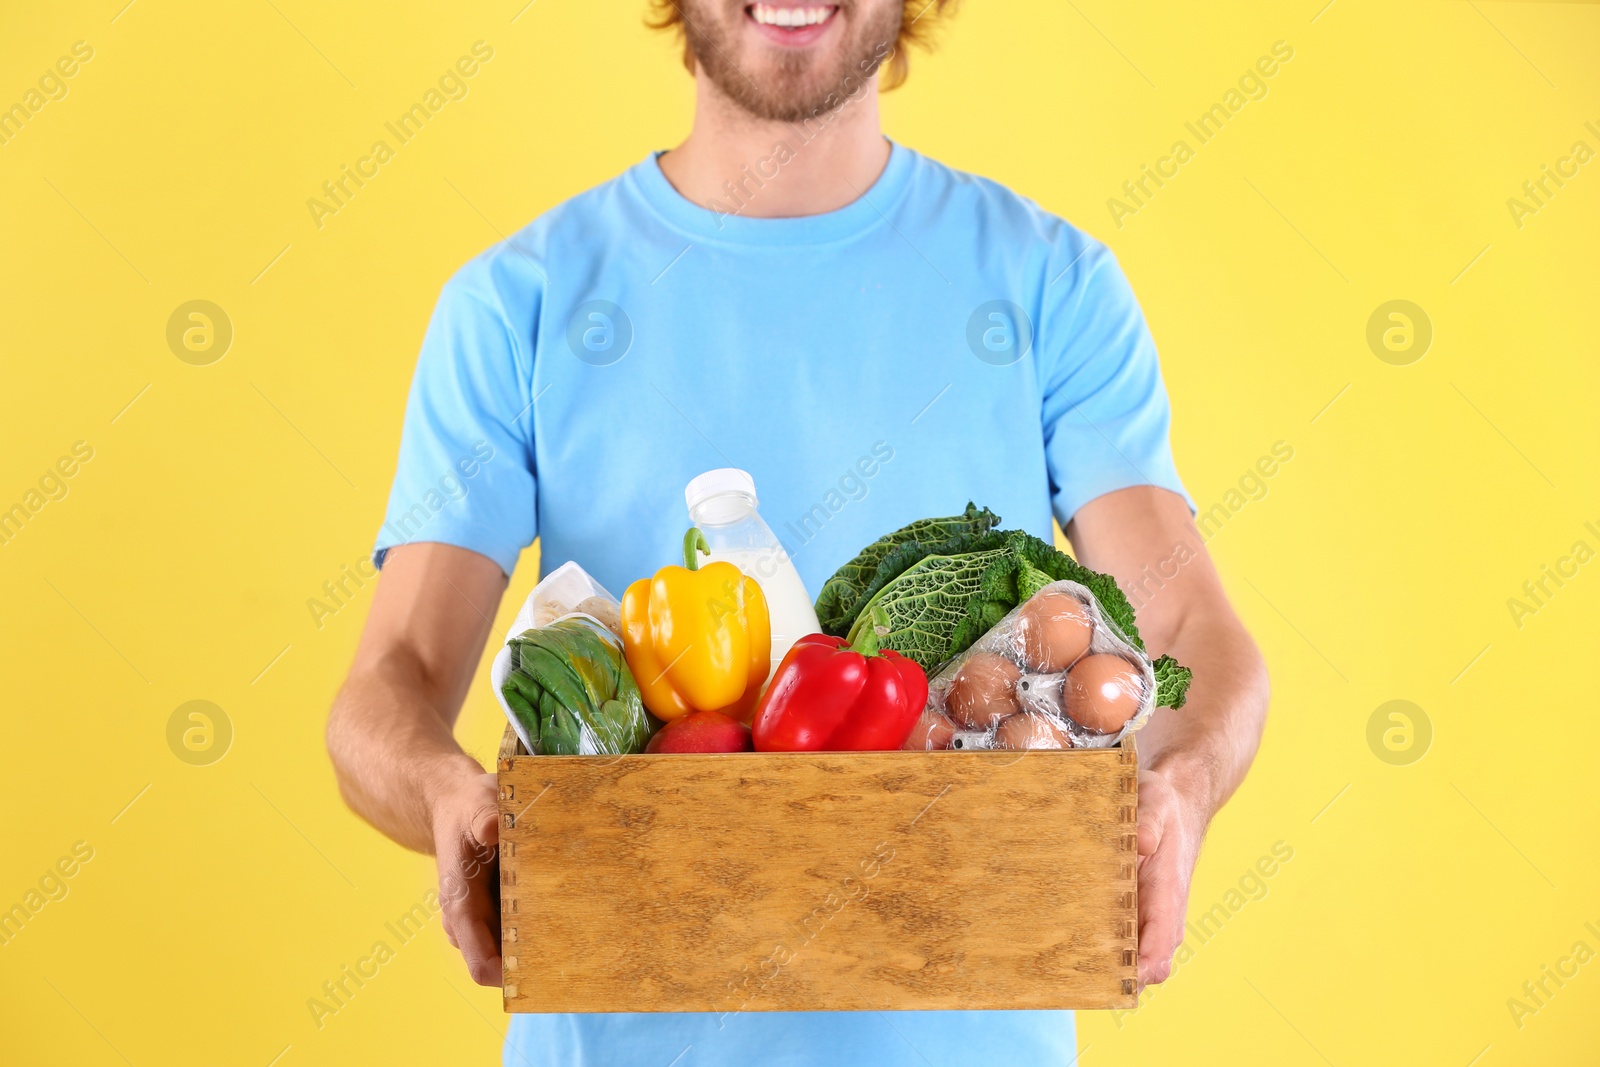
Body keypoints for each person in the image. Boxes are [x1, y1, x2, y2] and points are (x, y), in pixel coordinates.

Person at [325, 2, 1269, 1064]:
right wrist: (451, 796)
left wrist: (1179, 790)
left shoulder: (1051, 284)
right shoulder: (518, 302)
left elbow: (1190, 620)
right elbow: (384, 684)